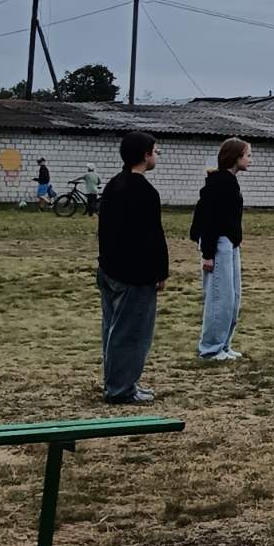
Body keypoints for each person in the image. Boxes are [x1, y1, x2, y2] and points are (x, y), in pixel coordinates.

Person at [96, 131, 168, 405]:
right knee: (132, 333)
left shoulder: (114, 185)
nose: (157, 155)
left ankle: (117, 382)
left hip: (110, 268)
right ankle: (121, 388)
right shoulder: (144, 192)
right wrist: (160, 272)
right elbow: (152, 237)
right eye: (155, 151)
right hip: (135, 275)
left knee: (112, 330)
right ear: (145, 155)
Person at [193, 138, 252, 362]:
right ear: (235, 157)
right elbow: (208, 219)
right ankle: (210, 348)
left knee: (233, 297)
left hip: (231, 243)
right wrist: (208, 254)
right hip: (219, 244)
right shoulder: (219, 183)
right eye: (247, 155)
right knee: (220, 297)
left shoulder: (229, 182)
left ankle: (224, 344)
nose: (250, 160)